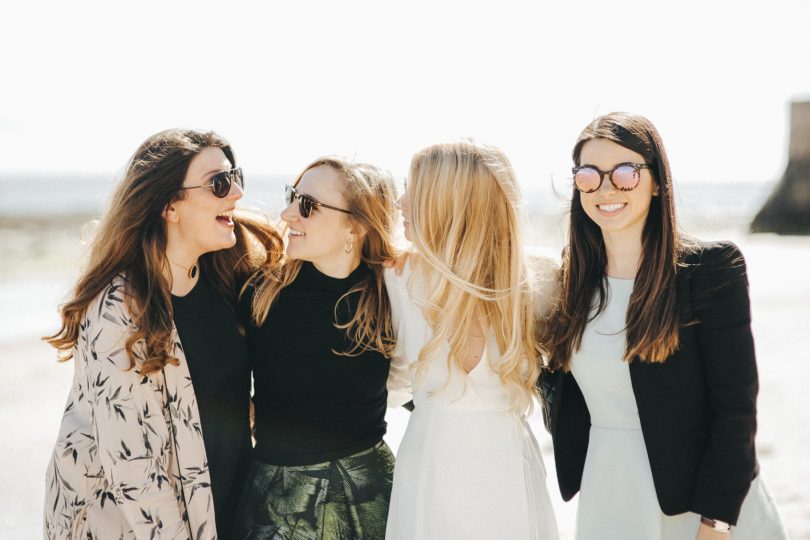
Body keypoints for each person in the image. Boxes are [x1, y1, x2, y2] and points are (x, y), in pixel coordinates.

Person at [542, 112, 788, 539]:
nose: (605, 188)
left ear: (656, 182)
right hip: (609, 492)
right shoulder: (569, 282)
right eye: (588, 175)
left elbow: (736, 409)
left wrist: (716, 521)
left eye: (625, 173)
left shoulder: (709, 270)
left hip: (701, 503)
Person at [44, 129, 283, 539]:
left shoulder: (225, 276)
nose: (237, 194)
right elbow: (134, 469)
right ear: (170, 205)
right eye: (219, 183)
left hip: (219, 510)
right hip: (128, 525)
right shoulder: (119, 308)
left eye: (235, 177)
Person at [384, 140, 560, 539]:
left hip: (509, 471)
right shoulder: (397, 278)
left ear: (447, 203)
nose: (400, 202)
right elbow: (390, 384)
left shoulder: (540, 280)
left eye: (413, 189)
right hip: (429, 470)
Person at [235, 157, 404, 540]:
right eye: (292, 197)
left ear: (356, 225)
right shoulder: (260, 292)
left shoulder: (391, 294)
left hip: (368, 499)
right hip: (276, 502)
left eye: (308, 206)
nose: (288, 214)